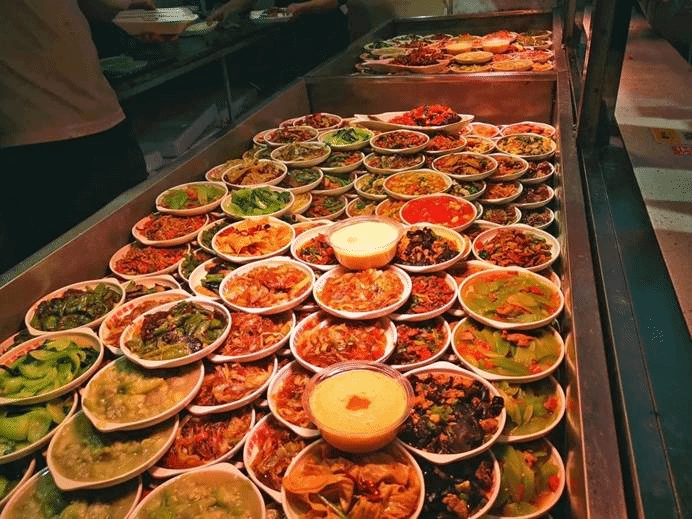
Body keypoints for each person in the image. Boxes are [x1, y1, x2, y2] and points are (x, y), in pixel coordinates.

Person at [0, 0, 153, 273]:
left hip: (87, 124)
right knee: (66, 271)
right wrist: (137, 11)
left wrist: (132, 17)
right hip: (38, 143)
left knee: (143, 245)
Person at [211, 0, 350, 81]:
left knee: (326, 91)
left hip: (326, 37)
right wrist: (226, 9)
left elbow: (334, 1)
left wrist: (302, 8)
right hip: (289, 39)